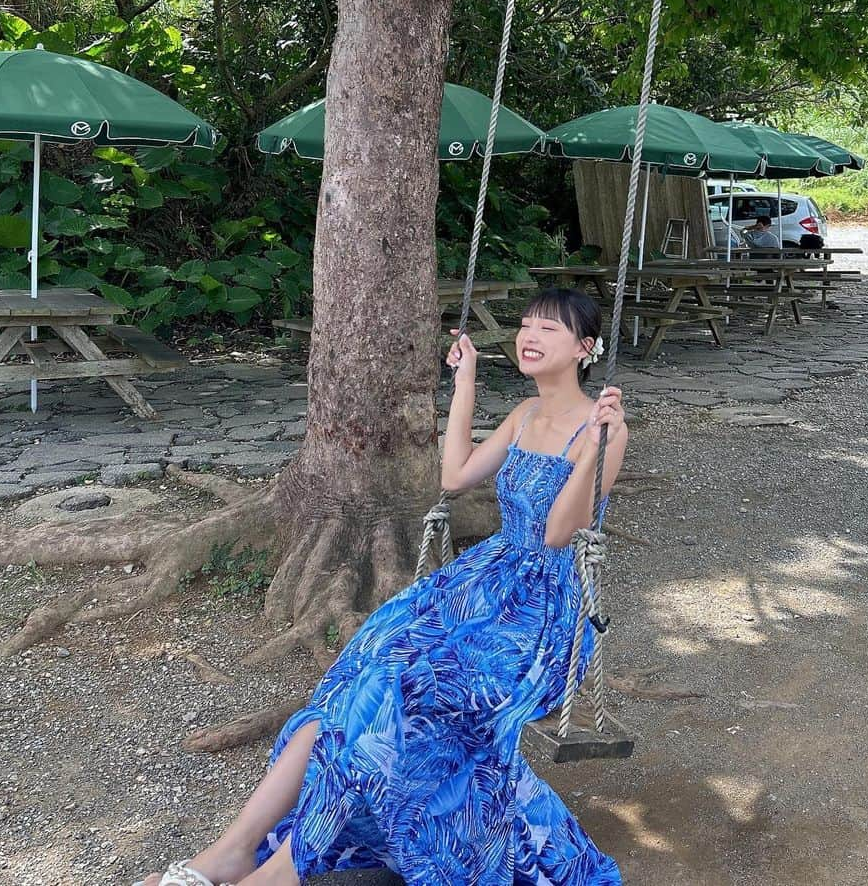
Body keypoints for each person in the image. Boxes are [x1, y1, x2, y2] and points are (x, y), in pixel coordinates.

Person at [137, 287, 627, 886]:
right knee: (360, 672)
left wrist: (596, 448)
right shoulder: (525, 414)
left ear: (585, 346)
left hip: (537, 614)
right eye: (526, 324)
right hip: (480, 585)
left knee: (397, 692)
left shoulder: (602, 428)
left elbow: (556, 535)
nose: (529, 335)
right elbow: (455, 475)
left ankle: (279, 874)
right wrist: (466, 381)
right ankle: (233, 850)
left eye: (549, 329)